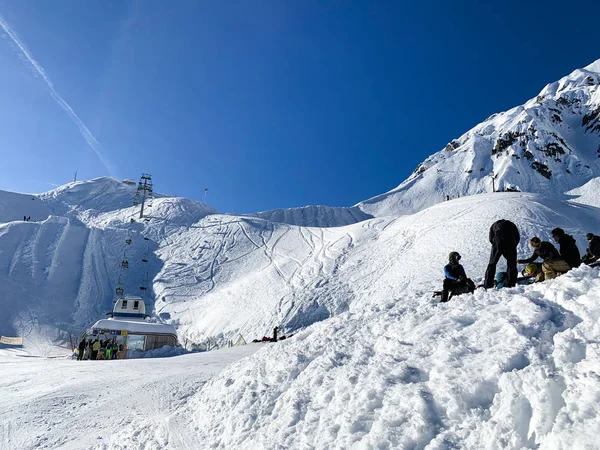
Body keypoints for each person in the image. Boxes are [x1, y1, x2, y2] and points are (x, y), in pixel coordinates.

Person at [484, 220, 520, 289]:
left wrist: (495, 246)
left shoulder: (494, 225)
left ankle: (488, 284)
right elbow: (517, 237)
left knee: (492, 263)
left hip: (498, 241)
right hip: (511, 241)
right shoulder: (512, 224)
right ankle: (510, 283)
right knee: (511, 263)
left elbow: (491, 238)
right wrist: (513, 247)